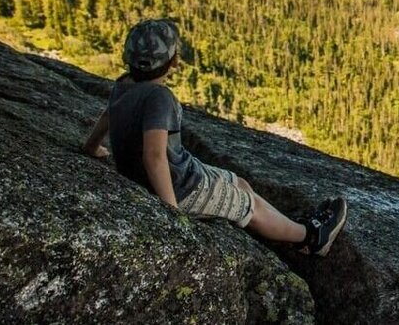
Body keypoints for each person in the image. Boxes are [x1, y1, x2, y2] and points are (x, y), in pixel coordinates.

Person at [82, 18, 346, 256]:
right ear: (173, 60)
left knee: (240, 183)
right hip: (181, 188)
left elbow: (108, 116)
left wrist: (92, 147)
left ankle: (284, 229)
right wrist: (172, 214)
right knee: (249, 204)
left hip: (175, 171)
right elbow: (154, 156)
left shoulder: (123, 84)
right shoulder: (159, 97)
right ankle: (310, 238)